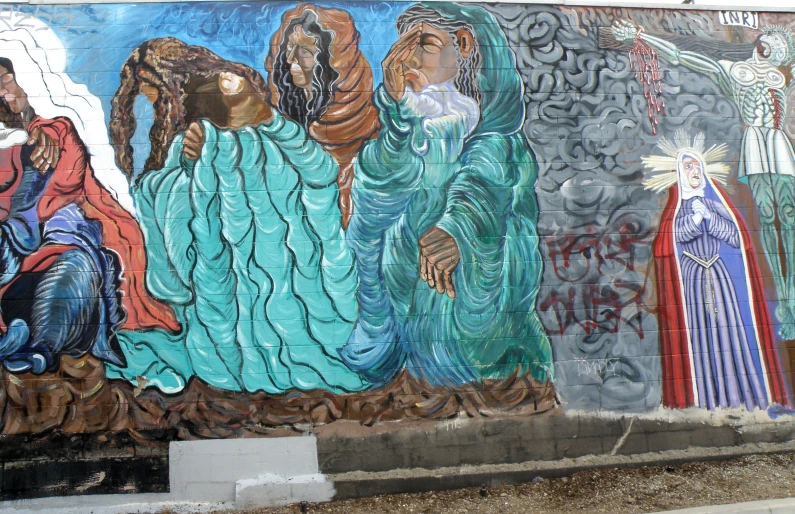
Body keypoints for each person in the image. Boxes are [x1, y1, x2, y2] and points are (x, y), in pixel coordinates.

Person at [106, 39, 365, 394]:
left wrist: (214, 154)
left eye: (154, 95)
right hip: (227, 297)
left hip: (274, 280)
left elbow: (316, 171)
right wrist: (189, 166)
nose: (152, 106)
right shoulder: (194, 137)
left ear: (173, 85)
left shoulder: (227, 110)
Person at [338, 3, 553, 387]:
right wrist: (399, 116)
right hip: (407, 270)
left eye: (424, 43)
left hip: (466, 288)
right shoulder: (414, 116)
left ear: (465, 44)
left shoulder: (492, 131)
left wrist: (458, 229)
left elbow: (486, 180)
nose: (411, 58)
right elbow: (380, 186)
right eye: (404, 46)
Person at [0, 24, 179, 373]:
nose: (2, 93)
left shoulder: (56, 131)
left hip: (55, 247)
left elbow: (67, 182)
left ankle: (38, 349)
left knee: (77, 269)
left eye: (5, 80)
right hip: (9, 259)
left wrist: (36, 135)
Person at [613, 20, 795, 340]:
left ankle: (791, 293)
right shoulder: (732, 70)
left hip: (779, 144)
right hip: (755, 143)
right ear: (761, 42)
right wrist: (641, 36)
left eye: (781, 45)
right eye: (773, 41)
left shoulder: (782, 76)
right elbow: (683, 56)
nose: (776, 46)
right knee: (767, 216)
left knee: (789, 216)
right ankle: (782, 294)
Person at [645, 131, 790, 410]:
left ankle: (736, 395)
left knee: (728, 331)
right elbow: (670, 242)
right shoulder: (677, 209)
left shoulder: (715, 204)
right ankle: (708, 398)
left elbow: (736, 238)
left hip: (719, 276)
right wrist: (693, 219)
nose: (694, 171)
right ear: (679, 172)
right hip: (692, 279)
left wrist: (710, 219)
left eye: (697, 166)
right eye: (688, 166)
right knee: (701, 334)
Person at [265, 4, 379, 229]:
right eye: (289, 49)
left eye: (305, 52)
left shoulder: (369, 144)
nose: (290, 60)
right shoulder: (277, 123)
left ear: (334, 64)